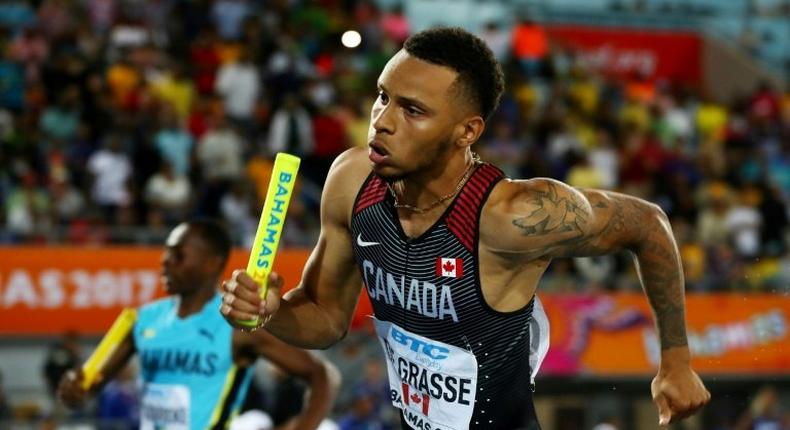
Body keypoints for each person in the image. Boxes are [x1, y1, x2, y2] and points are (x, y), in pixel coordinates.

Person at [220, 27, 710, 429]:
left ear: (467, 131)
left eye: (412, 110)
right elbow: (326, 317)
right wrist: (270, 312)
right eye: (382, 97)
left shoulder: (513, 216)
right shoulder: (352, 182)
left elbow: (648, 223)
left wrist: (676, 358)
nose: (381, 122)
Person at [58, 219, 340, 429]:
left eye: (177, 254)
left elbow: (322, 376)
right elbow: (86, 388)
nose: (165, 262)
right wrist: (73, 389)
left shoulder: (236, 326)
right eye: (166, 253)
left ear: (211, 264)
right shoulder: (141, 320)